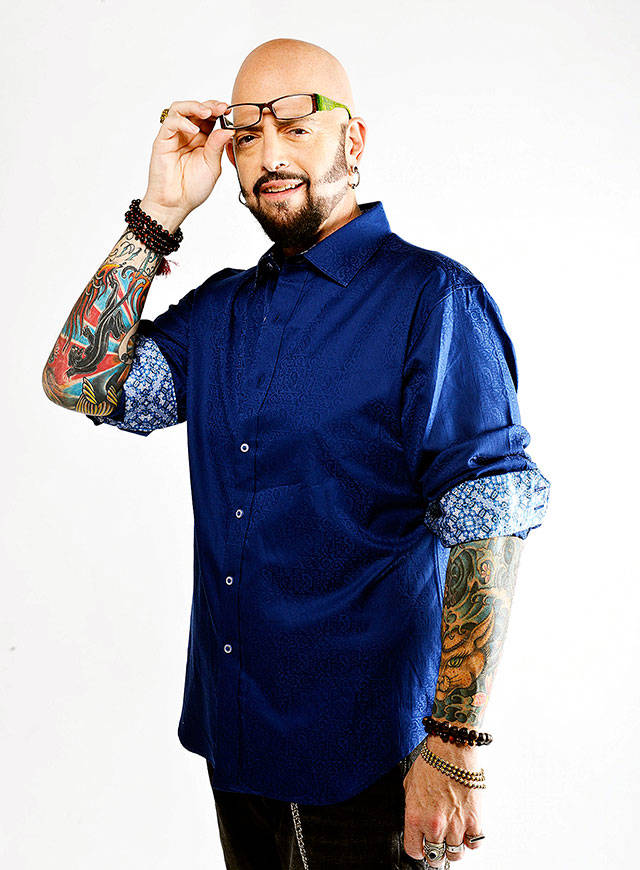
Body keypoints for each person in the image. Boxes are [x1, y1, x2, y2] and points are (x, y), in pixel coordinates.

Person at [42, 37, 551, 870]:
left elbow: (486, 520)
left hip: (371, 761)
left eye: (296, 125)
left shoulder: (433, 301)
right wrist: (158, 214)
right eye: (246, 134)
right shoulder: (219, 312)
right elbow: (78, 382)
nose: (269, 154)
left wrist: (455, 747)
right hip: (238, 738)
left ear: (354, 140)